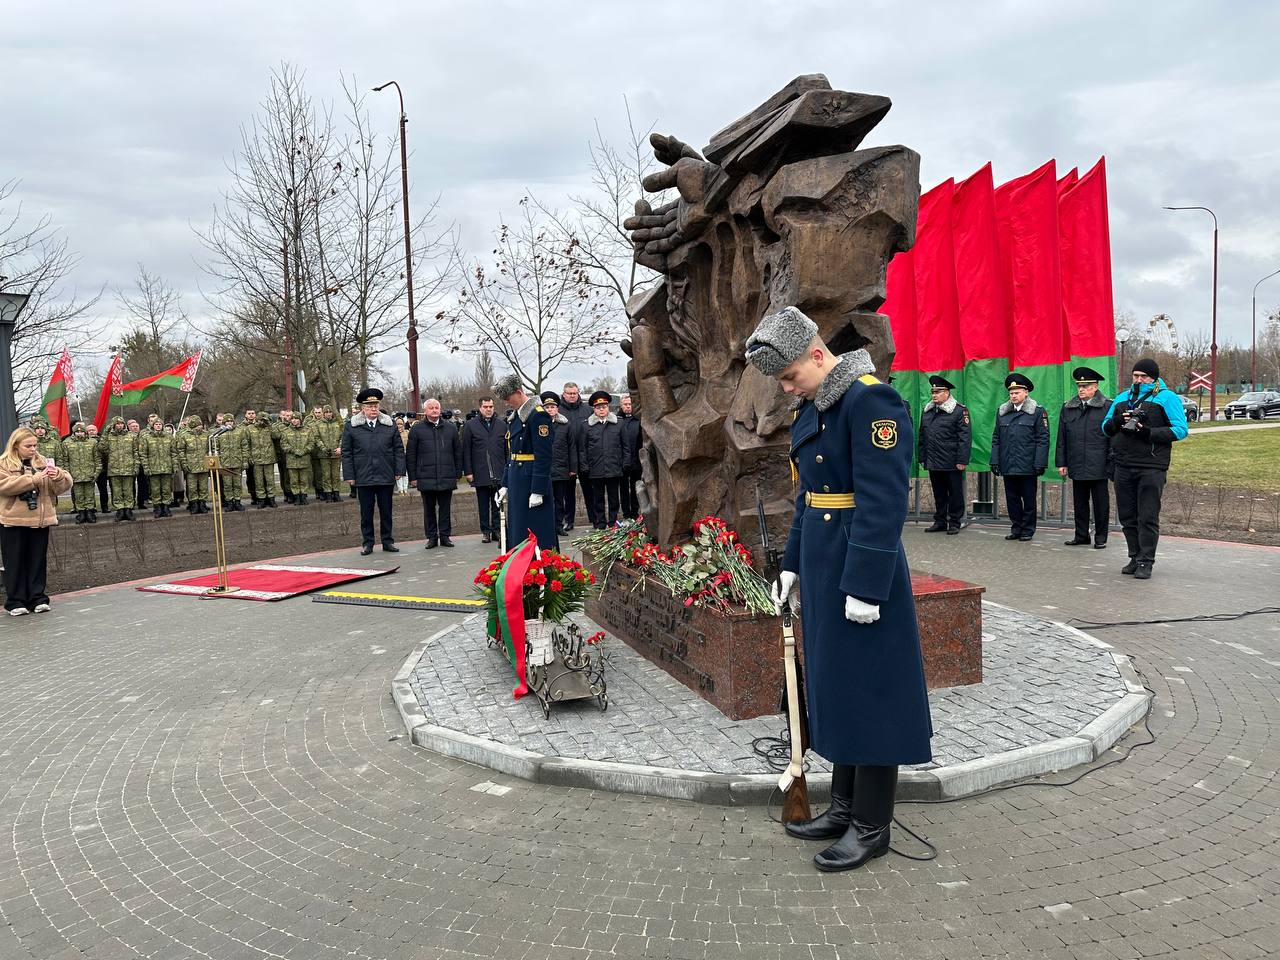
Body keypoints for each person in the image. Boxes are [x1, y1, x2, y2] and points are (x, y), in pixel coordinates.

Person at [746, 306, 932, 873]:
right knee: (841, 687)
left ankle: (872, 825)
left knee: (871, 692)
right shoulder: (818, 403)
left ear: (817, 354)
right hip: (826, 566)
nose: (786, 388)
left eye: (789, 376)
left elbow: (883, 500)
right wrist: (792, 565)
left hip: (860, 566)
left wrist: (867, 585)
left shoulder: (870, 401)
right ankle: (846, 807)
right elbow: (810, 495)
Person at [1101, 358, 1188, 579]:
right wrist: (1118, 420)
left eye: (1144, 376)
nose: (1139, 380)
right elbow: (1105, 428)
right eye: (1135, 375)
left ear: (1154, 378)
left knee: (1147, 516)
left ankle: (1146, 561)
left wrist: (1147, 432)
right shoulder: (1122, 398)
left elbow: (1180, 429)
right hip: (1123, 464)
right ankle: (1134, 556)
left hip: (1151, 466)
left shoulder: (1167, 398)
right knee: (1127, 516)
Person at [0, 428, 72, 615]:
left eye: (35, 445)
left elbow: (62, 486)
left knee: (37, 560)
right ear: (16, 445)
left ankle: (37, 598)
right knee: (14, 562)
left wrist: (59, 477)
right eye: (28, 446)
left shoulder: (42, 462)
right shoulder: (3, 464)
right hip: (13, 521)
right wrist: (31, 480)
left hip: (40, 521)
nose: (33, 449)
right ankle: (15, 601)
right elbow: (3, 486)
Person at [494, 374, 558, 551]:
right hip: (517, 479)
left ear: (518, 392)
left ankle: (540, 564)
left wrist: (538, 489)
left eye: (508, 397)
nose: (506, 402)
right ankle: (519, 563)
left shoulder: (538, 416)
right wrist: (505, 484)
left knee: (537, 529)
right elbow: (512, 455)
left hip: (531, 481)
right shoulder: (516, 417)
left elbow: (544, 456)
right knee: (518, 528)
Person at [341, 387, 405, 555]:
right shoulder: (352, 427)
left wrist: (399, 470)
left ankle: (388, 541)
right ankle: (368, 543)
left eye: (376, 406)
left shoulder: (389, 425)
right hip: (363, 476)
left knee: (386, 512)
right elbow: (346, 452)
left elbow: (398, 450)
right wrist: (349, 476)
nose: (373, 409)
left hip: (385, 475)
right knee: (366, 513)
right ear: (363, 408)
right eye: (370, 406)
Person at [1056, 367, 1112, 549]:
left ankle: (1101, 537)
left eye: (1086, 386)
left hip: (1099, 464)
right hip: (1077, 462)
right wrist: (1062, 462)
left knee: (1100, 504)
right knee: (1080, 503)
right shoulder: (1068, 407)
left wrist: (1111, 462)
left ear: (1095, 387)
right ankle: (1081, 535)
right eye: (1079, 386)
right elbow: (1062, 437)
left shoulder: (1107, 407)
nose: (1081, 389)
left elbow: (1112, 438)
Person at [990, 373, 1050, 541]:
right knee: (1012, 499)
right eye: (1011, 393)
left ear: (1026, 392)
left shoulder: (1037, 412)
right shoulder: (1003, 412)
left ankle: (1028, 530)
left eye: (1017, 392)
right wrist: (995, 460)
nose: (1014, 396)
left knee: (1029, 500)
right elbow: (996, 438)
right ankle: (1016, 528)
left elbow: (1043, 439)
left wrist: (1040, 463)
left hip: (1028, 465)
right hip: (1008, 463)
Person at [918, 375, 971, 535]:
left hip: (952, 461)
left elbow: (965, 438)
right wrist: (922, 457)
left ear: (947, 393)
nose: (934, 395)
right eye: (933, 392)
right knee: (939, 493)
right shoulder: (927, 411)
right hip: (933, 460)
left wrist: (962, 460)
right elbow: (922, 436)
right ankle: (940, 521)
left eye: (938, 392)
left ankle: (955, 522)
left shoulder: (959, 411)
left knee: (955, 493)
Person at [407, 399, 463, 548]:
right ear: (425, 411)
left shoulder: (451, 428)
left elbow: (458, 452)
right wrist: (413, 476)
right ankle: (432, 537)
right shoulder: (417, 429)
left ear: (440, 409)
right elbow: (411, 455)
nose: (434, 410)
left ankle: (445, 536)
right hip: (425, 476)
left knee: (445, 509)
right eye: (431, 408)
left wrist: (458, 473)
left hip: (446, 475)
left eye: (436, 407)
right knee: (429, 510)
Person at [462, 395, 506, 544]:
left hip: (499, 471)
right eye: (485, 407)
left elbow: (506, 450)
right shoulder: (470, 426)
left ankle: (497, 530)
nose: (488, 409)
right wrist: (468, 472)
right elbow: (466, 450)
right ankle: (485, 531)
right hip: (480, 471)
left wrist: (507, 470)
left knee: (497, 504)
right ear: (480, 408)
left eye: (491, 407)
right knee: (483, 505)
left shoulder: (502, 425)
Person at [579, 390, 624, 529]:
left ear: (608, 407)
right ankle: (600, 522)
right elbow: (582, 448)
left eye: (604, 407)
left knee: (613, 497)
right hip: (595, 468)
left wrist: (624, 463)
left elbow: (625, 446)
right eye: (598, 408)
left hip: (613, 467)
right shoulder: (586, 425)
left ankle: (613, 521)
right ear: (594, 409)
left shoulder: (618, 423)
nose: (601, 410)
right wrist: (584, 465)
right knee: (597, 498)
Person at [559, 382, 593, 529]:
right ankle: (569, 521)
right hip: (567, 457)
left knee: (589, 490)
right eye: (569, 393)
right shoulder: (558, 410)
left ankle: (595, 519)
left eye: (575, 393)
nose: (572, 396)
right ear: (564, 394)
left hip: (585, 455)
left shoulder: (587, 409)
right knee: (568, 492)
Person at [542, 392, 577, 534]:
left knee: (559, 500)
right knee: (545, 500)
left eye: (552, 407)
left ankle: (558, 525)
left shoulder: (565, 425)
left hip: (561, 468)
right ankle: (547, 527)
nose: (550, 410)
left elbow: (572, 447)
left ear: (557, 409)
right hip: (544, 469)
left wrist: (573, 468)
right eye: (547, 407)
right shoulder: (539, 425)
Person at [101, 416, 140, 521]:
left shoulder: (131, 436)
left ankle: (128, 509)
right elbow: (102, 448)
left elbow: (136, 452)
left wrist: (136, 466)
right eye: (117, 424)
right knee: (117, 491)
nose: (119, 425)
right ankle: (120, 510)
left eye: (121, 423)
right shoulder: (109, 437)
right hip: (114, 469)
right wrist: (105, 433)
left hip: (128, 468)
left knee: (128, 491)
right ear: (113, 425)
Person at [63, 421, 101, 523]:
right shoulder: (67, 443)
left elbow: (97, 459)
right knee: (78, 495)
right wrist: (68, 474)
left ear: (85, 432)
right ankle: (81, 513)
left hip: (89, 474)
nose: (79, 433)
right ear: (74, 432)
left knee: (89, 495)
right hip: (75, 474)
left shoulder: (93, 442)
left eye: (82, 432)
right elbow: (65, 460)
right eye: (77, 432)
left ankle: (90, 513)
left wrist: (96, 473)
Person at [140, 419, 177, 517]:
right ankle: (157, 508)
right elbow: (143, 454)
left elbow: (174, 453)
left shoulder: (169, 437)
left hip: (167, 467)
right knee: (155, 490)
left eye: (160, 424)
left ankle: (166, 507)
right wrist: (146, 467)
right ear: (153, 426)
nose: (158, 426)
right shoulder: (146, 437)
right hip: (153, 468)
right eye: (156, 424)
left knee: (166, 489)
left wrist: (174, 466)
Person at [243, 410, 279, 508]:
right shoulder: (250, 429)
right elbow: (246, 444)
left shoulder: (269, 428)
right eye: (261, 420)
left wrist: (269, 425)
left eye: (264, 420)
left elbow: (277, 436)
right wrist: (248, 457)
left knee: (270, 480)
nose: (262, 422)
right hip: (256, 459)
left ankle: (271, 498)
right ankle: (261, 499)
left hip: (269, 458)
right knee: (259, 481)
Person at [280, 413, 317, 505]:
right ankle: (296, 497)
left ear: (300, 420)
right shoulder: (286, 431)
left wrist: (305, 450)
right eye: (292, 419)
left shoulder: (308, 430)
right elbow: (283, 444)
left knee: (304, 480)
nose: (294, 420)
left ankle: (303, 496)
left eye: (296, 419)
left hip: (304, 459)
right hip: (292, 460)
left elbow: (312, 443)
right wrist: (293, 450)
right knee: (294, 481)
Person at [214, 413, 247, 510]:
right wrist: (218, 462)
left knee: (237, 484)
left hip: (237, 462)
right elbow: (216, 449)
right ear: (224, 422)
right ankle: (229, 502)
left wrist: (245, 460)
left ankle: (237, 501)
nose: (229, 423)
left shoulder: (240, 431)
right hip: (225, 463)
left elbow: (244, 446)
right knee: (227, 485)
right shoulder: (219, 433)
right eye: (227, 421)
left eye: (231, 421)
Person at [618, 393, 643, 520]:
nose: (628, 406)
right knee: (623, 489)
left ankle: (634, 512)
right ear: (621, 406)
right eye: (625, 404)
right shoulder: (617, 421)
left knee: (635, 489)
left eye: (630, 404)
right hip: (621, 462)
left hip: (636, 461)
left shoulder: (639, 421)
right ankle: (626, 513)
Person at [178, 416, 210, 514]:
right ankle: (194, 505)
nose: (200, 427)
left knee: (203, 487)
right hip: (191, 466)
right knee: (192, 487)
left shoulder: (206, 435)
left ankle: (202, 504)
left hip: (204, 466)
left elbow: (210, 449)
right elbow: (181, 451)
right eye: (197, 425)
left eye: (200, 425)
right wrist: (184, 464)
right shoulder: (184, 435)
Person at [312, 405, 344, 502]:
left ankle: (336, 493)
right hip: (324, 454)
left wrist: (340, 447)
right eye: (326, 412)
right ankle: (328, 494)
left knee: (335, 475)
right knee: (326, 475)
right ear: (323, 413)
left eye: (330, 412)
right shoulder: (318, 424)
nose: (328, 414)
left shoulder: (338, 423)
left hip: (336, 453)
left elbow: (343, 436)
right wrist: (323, 448)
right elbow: (316, 437)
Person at [87, 423, 110, 512]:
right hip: (89, 469)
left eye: (93, 430)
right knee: (89, 491)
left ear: (97, 431)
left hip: (102, 469)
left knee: (103, 489)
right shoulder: (84, 442)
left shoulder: (102, 440)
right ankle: (91, 507)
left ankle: (104, 507)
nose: (91, 431)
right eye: (89, 430)